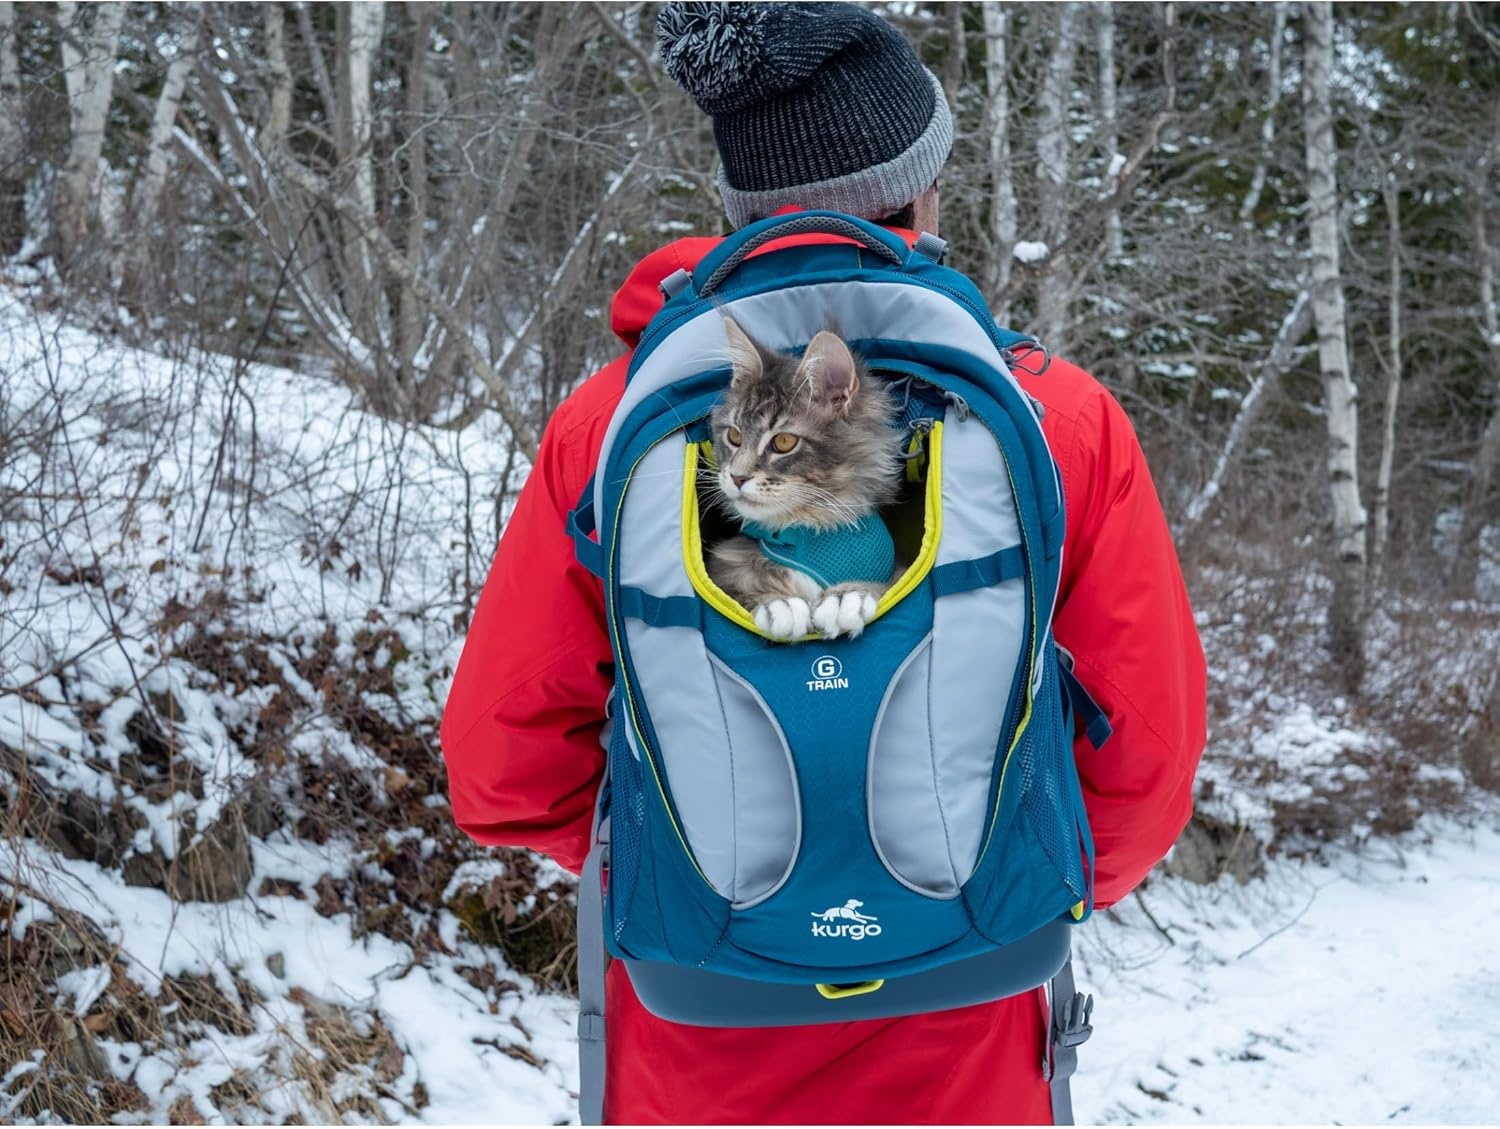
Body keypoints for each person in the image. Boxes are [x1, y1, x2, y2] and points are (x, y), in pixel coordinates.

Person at [441, 3, 1207, 1123]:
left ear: (742, 209)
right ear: (916, 192)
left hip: (692, 1034)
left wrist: (687, 856)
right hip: (970, 1037)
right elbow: (1147, 752)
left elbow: (501, 768)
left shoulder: (609, 427)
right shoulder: (1059, 419)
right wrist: (997, 874)